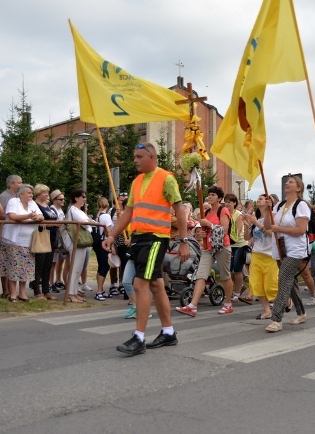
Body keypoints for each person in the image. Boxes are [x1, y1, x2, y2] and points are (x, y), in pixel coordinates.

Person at [103, 142, 189, 357]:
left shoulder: (166, 179)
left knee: (140, 284)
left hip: (156, 239)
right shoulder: (137, 182)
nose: (136, 160)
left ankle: (139, 337)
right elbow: (128, 213)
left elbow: (180, 210)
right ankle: (168, 332)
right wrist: (112, 235)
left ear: (152, 157)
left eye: (140, 156)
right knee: (156, 285)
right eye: (135, 156)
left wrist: (184, 240)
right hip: (139, 239)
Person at [259, 175, 311, 332]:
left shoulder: (301, 205)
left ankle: (276, 319)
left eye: (291, 182)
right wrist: (268, 211)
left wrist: (279, 229)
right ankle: (301, 313)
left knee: (283, 279)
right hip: (280, 248)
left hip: (295, 249)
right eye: (287, 182)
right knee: (290, 281)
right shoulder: (280, 205)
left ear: (298, 188)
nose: (287, 184)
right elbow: (268, 226)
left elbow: (301, 230)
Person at [176, 185, 235, 317]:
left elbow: (224, 230)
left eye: (213, 195)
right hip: (208, 247)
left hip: (222, 246)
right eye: (209, 194)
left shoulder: (223, 210)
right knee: (201, 275)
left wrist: (209, 225)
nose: (210, 197)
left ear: (219, 198)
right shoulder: (207, 213)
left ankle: (228, 304)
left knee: (225, 276)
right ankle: (193, 306)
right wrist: (202, 234)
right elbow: (206, 232)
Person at [0, 184, 44, 302]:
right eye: (29, 193)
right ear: (21, 193)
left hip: (29, 242)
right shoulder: (14, 201)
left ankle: (22, 293)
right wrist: (28, 216)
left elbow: (41, 215)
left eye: (32, 193)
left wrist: (37, 218)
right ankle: (13, 293)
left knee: (26, 269)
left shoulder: (33, 203)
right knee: (14, 267)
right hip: (14, 241)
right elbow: (12, 216)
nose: (31, 195)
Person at [243, 194, 279, 319]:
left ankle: (287, 299)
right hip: (257, 254)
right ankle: (267, 310)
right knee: (256, 284)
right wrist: (247, 226)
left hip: (270, 256)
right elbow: (247, 238)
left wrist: (256, 223)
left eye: (261, 198)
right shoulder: (255, 217)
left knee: (271, 286)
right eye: (258, 198)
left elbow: (272, 234)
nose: (258, 200)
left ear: (268, 202)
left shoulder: (272, 216)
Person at [62, 189, 93, 303]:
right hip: (74, 241)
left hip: (80, 241)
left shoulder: (79, 210)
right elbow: (85, 222)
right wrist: (89, 220)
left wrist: (89, 220)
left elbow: (88, 221)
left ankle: (74, 292)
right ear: (76, 198)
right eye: (83, 197)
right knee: (75, 268)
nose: (85, 199)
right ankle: (70, 293)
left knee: (78, 268)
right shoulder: (73, 209)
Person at [32, 184, 58, 300]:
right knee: (39, 265)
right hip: (42, 237)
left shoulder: (48, 206)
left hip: (51, 238)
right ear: (38, 193)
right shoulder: (35, 205)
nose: (47, 194)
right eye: (44, 192)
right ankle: (37, 291)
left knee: (48, 265)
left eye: (47, 192)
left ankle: (46, 290)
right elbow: (38, 222)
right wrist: (54, 224)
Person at [224, 193, 249, 303]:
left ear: (234, 203)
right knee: (229, 270)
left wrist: (230, 240)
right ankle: (237, 288)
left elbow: (238, 231)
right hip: (228, 244)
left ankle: (237, 292)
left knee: (237, 269)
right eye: (226, 201)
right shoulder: (224, 214)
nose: (227, 203)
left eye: (229, 202)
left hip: (240, 244)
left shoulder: (238, 215)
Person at [92, 196, 114, 301]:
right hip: (104, 243)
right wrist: (111, 246)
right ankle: (99, 291)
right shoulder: (106, 216)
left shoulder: (98, 216)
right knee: (105, 266)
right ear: (107, 204)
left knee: (101, 265)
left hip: (97, 244)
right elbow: (109, 232)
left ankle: (100, 290)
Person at [48, 189, 67, 293]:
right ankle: (50, 283)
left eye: (63, 199)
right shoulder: (52, 209)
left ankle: (57, 280)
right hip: (55, 238)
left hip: (61, 238)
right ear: (54, 200)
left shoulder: (60, 210)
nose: (63, 201)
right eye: (61, 199)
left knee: (59, 261)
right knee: (53, 263)